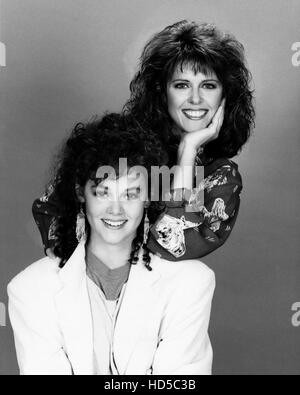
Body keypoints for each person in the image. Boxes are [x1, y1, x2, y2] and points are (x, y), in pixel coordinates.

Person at [8, 114, 215, 375]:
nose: (116, 209)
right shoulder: (30, 289)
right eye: (103, 192)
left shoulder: (191, 282)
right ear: (80, 193)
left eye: (131, 194)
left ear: (149, 198)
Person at [32, 20, 255, 261]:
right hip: (90, 284)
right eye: (181, 85)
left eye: (208, 86)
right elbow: (50, 207)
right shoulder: (121, 143)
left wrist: (188, 151)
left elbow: (172, 244)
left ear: (225, 95)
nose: (195, 99)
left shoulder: (220, 177)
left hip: (159, 295)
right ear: (161, 90)